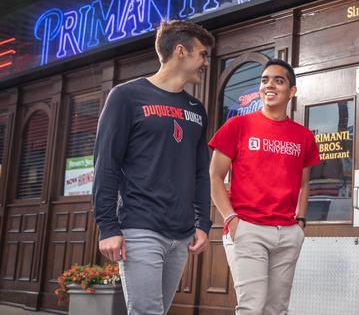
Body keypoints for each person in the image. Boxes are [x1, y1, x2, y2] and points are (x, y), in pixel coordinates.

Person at [92, 20, 214, 314]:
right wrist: (108, 226)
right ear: (181, 51)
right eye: (203, 54)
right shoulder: (126, 96)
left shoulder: (197, 110)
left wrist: (202, 222)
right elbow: (106, 163)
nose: (206, 63)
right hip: (140, 226)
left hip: (181, 232)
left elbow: (200, 171)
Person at [209, 58, 320, 315]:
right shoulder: (237, 126)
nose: (269, 85)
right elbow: (215, 177)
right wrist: (232, 220)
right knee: (252, 307)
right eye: (264, 80)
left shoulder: (304, 136)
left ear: (292, 91)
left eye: (278, 81)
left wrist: (300, 222)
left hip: (287, 232)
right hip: (248, 228)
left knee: (276, 309)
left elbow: (304, 183)